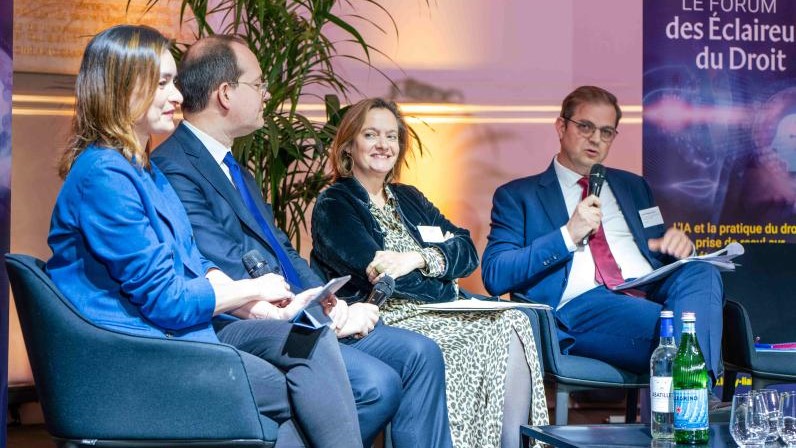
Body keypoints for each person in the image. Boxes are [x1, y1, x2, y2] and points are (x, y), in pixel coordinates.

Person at [46, 25, 362, 448]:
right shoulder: (104, 174)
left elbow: (195, 263)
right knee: (285, 374)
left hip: (175, 332)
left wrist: (260, 307)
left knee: (305, 341)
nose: (177, 96)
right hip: (131, 352)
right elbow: (166, 300)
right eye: (161, 83)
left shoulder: (143, 169)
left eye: (173, 82)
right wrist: (252, 287)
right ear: (121, 87)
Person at [151, 36, 452, 448]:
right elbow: (224, 263)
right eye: (257, 85)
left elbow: (283, 249)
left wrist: (328, 300)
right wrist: (318, 314)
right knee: (377, 383)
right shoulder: (175, 166)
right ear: (225, 94)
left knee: (422, 354)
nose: (266, 95)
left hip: (299, 309)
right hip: (247, 321)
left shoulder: (232, 166)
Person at [310, 97, 549, 448]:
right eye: (371, 135)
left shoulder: (408, 197)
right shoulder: (335, 203)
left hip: (436, 311)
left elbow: (467, 250)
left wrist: (417, 259)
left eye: (391, 137)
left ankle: (507, 444)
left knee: (514, 320)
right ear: (349, 146)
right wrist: (442, 275)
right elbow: (382, 275)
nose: (383, 145)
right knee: (488, 334)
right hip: (381, 317)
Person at [481, 85, 724, 384]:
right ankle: (697, 398)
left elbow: (652, 249)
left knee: (701, 271)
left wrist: (673, 248)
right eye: (585, 127)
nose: (596, 139)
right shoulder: (519, 196)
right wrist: (568, 235)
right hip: (582, 306)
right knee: (680, 327)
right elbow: (495, 274)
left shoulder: (634, 187)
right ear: (561, 126)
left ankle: (689, 398)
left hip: (646, 288)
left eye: (607, 132)